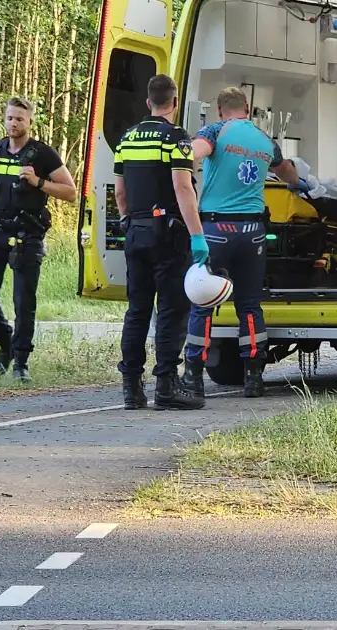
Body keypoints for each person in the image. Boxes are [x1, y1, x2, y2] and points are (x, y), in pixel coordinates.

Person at [183, 87, 304, 398]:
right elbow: (288, 173)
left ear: (221, 110)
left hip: (215, 229)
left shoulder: (215, 131)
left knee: (203, 303)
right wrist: (297, 183)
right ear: (247, 110)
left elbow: (192, 152)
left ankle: (194, 376)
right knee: (249, 306)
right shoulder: (265, 141)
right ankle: (254, 376)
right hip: (253, 231)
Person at [113, 74, 210, 410]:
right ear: (175, 102)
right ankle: (167, 386)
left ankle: (131, 387)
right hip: (168, 234)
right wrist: (197, 236)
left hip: (136, 231)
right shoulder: (176, 138)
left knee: (137, 310)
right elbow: (183, 189)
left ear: (148, 103)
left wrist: (128, 221)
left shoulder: (127, 139)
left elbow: (120, 191)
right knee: (171, 309)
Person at [0, 97, 77, 381]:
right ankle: (5, 345)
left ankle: (21, 362)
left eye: (19, 118)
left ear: (30, 122)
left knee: (23, 301)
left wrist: (39, 183)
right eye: (9, 118)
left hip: (26, 234)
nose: (13, 123)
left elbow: (71, 193)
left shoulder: (42, 155)